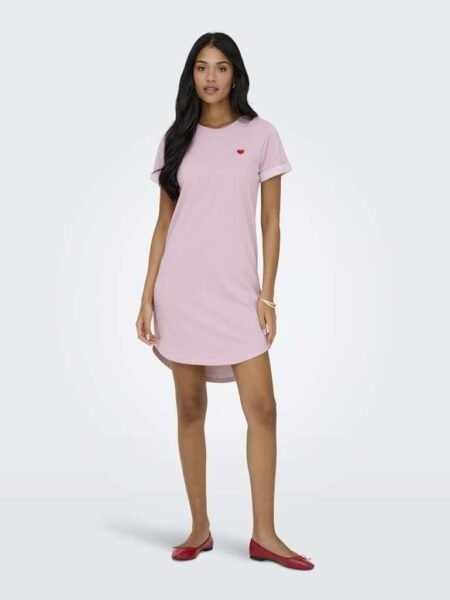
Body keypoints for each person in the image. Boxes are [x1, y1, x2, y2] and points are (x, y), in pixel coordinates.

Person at [136, 32, 314, 570]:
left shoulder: (261, 135)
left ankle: (266, 535)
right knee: (190, 408)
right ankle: (200, 527)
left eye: (220, 67)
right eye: (200, 67)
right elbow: (163, 225)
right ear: (190, 76)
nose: (210, 77)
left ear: (236, 73)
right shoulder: (176, 138)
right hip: (180, 291)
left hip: (238, 294)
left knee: (263, 410)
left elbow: (271, 221)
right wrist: (146, 297)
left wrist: (268, 296)